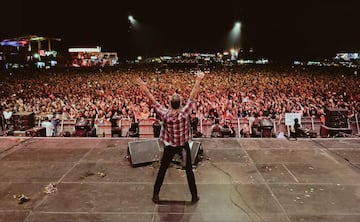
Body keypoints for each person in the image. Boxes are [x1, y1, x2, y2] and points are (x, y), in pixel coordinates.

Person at [136, 71, 204, 204]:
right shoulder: (184, 114)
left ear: (169, 103)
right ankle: (194, 196)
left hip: (170, 146)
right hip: (183, 146)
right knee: (189, 171)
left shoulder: (165, 114)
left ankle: (156, 195)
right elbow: (192, 96)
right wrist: (198, 80)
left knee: (162, 169)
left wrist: (144, 87)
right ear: (180, 103)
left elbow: (153, 101)